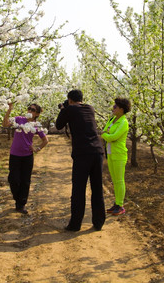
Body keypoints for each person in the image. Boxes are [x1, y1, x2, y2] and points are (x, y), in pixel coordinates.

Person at [55, 89, 106, 231]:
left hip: (82, 154)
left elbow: (58, 125)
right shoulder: (90, 108)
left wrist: (63, 109)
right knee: (97, 188)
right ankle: (98, 222)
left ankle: (75, 224)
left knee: (78, 189)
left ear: (70, 99)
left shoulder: (69, 109)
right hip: (97, 152)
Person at [2, 102, 48, 214]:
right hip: (15, 154)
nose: (29, 111)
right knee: (13, 179)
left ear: (37, 113)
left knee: (25, 181)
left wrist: (36, 149)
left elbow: (45, 140)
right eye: (29, 109)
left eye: (32, 110)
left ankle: (21, 204)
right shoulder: (19, 119)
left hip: (27, 156)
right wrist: (9, 110)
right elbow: (5, 124)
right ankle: (17, 199)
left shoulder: (37, 125)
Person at [101, 98, 131, 216]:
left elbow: (113, 137)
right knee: (114, 180)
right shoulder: (112, 119)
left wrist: (105, 135)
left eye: (115, 107)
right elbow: (105, 131)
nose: (113, 108)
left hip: (119, 154)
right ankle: (116, 203)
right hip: (110, 153)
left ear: (121, 109)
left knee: (119, 180)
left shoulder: (124, 122)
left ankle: (120, 205)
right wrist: (106, 134)